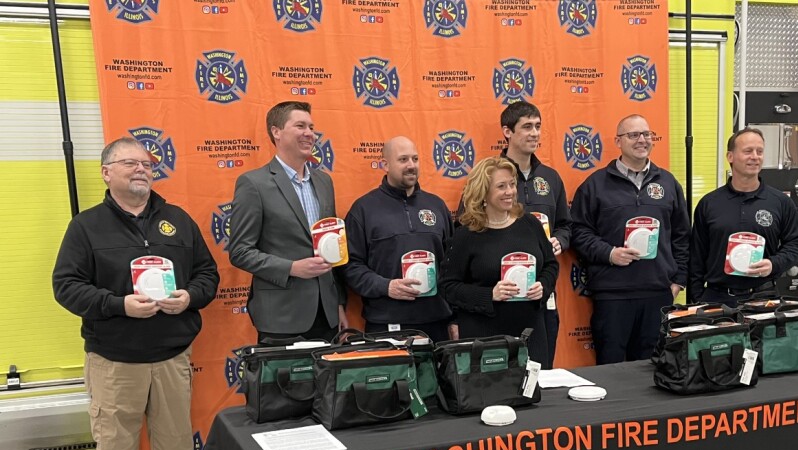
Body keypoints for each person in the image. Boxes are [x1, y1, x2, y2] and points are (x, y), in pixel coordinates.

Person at [52, 137, 219, 450]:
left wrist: (191, 297)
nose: (142, 168)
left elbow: (207, 274)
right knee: (115, 438)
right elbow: (66, 287)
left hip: (171, 351)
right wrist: (118, 305)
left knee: (175, 434)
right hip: (114, 356)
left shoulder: (177, 220)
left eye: (147, 162)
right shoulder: (86, 227)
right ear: (107, 172)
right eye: (130, 163)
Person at [570, 114, 690, 365]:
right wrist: (609, 253)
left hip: (657, 294)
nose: (642, 140)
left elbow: (682, 236)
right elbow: (578, 232)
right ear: (618, 141)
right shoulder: (595, 185)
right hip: (612, 295)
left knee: (651, 370)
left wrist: (677, 282)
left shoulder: (668, 184)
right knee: (611, 368)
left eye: (646, 134)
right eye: (633, 135)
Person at [229, 101, 346, 343]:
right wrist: (292, 268)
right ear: (276, 132)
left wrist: (339, 303)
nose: (310, 134)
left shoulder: (325, 182)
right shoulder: (254, 184)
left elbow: (333, 250)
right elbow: (240, 252)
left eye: (312, 127)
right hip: (281, 318)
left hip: (327, 315)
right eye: (300, 126)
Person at [440, 157, 558, 367]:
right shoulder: (466, 235)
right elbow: (448, 287)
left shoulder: (530, 224)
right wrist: (489, 295)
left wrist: (544, 286)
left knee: (536, 396)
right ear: (483, 192)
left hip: (531, 334)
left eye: (512, 184)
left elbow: (550, 265)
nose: (510, 191)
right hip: (485, 339)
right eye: (501, 186)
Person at [342, 136, 455, 343]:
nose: (411, 165)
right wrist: (386, 286)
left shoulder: (437, 206)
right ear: (385, 164)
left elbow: (454, 265)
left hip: (436, 323)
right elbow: (350, 266)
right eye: (403, 160)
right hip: (386, 325)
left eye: (415, 159)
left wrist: (454, 318)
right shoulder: (364, 210)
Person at [688, 127, 798, 305]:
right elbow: (696, 256)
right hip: (717, 300)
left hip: (763, 298)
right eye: (748, 151)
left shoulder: (780, 202)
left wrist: (774, 264)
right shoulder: (709, 203)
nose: (755, 156)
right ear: (730, 157)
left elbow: (796, 244)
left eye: (760, 151)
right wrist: (698, 298)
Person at [498, 101, 571, 368]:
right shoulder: (489, 176)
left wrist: (560, 241)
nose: (534, 133)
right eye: (527, 127)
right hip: (503, 297)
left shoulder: (551, 178)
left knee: (543, 372)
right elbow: (469, 229)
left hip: (543, 293)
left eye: (538, 127)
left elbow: (566, 225)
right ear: (507, 132)